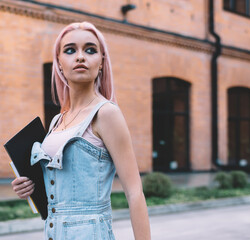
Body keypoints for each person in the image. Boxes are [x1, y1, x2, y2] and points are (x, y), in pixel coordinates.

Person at [11, 21, 151, 240]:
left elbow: (135, 193)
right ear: (58, 62)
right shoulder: (58, 120)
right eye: (69, 50)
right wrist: (29, 187)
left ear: (102, 62)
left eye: (90, 50)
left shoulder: (106, 114)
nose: (80, 57)